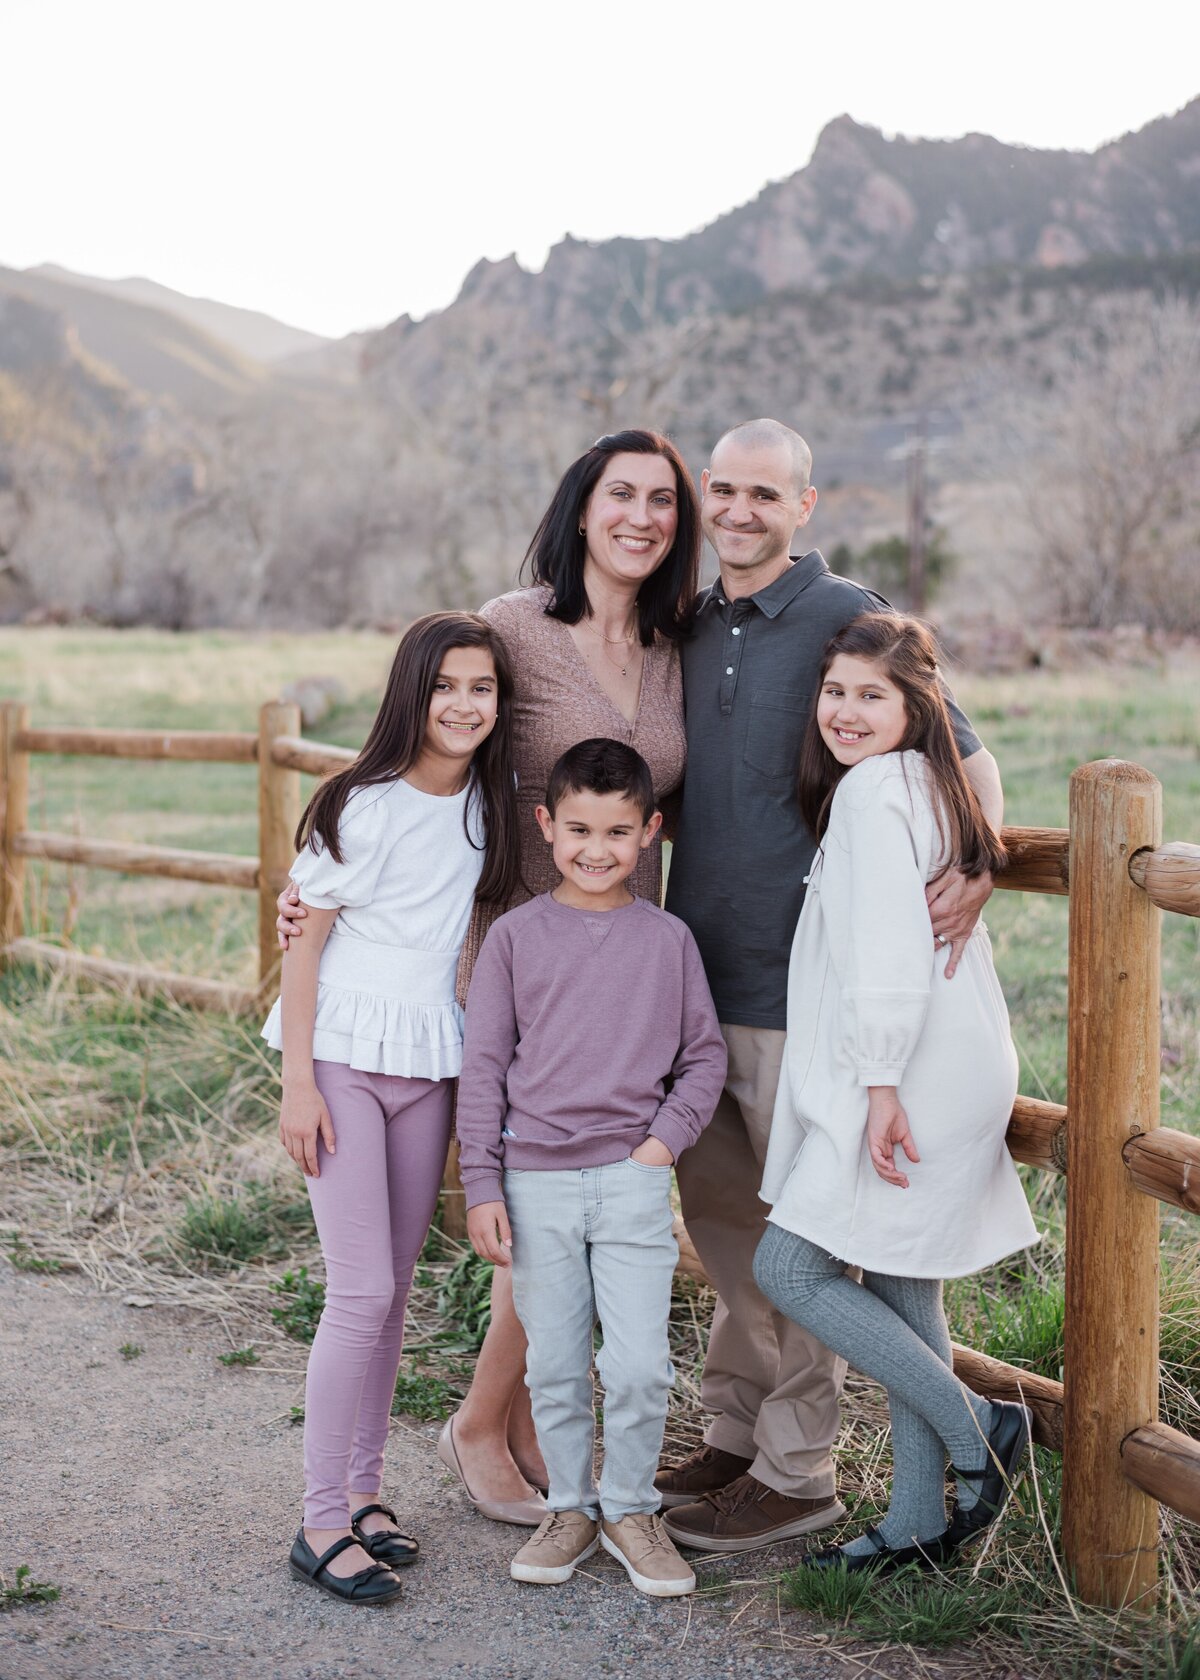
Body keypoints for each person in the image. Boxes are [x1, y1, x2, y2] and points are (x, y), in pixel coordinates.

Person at [277, 429, 697, 1523]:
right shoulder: (514, 628)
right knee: (540, 1185)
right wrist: (312, 886)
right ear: (581, 507)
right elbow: (427, 737)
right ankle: (477, 1423)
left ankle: (512, 1420)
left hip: (628, 949)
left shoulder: (676, 644)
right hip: (511, 943)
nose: (641, 517)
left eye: (662, 499)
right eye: (621, 495)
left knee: (574, 1189)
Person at [658, 419, 1005, 1554]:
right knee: (722, 1229)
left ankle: (797, 1470)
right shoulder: (695, 622)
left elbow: (966, 752)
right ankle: (737, 1432)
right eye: (726, 488)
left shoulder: (843, 618)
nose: (742, 509)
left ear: (806, 505)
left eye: (768, 492)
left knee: (802, 1235)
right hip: (696, 977)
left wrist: (976, 861)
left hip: (801, 1002)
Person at [750, 613, 1038, 1573]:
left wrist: (878, 1087)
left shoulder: (876, 792)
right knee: (905, 1283)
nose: (844, 711)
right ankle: (918, 1523)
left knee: (789, 1269)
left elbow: (886, 959)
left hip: (908, 1070)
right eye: (834, 691)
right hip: (948, 1060)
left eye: (871, 694)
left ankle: (979, 1430)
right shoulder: (927, 785)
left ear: (920, 707)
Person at [262, 612, 522, 1604]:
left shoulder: (487, 808)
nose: (464, 705)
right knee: (360, 1291)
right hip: (340, 1060)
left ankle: (366, 1496)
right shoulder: (359, 803)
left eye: (482, 689)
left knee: (396, 1291)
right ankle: (321, 1518)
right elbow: (304, 943)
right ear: (410, 693)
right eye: (446, 685)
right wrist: (297, 1084)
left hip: (429, 1059)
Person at [456, 740, 727, 1596]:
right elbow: (485, 1068)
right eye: (578, 829)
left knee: (641, 1365)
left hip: (633, 1180)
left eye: (617, 831)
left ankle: (631, 1510)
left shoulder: (668, 941)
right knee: (555, 1364)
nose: (597, 849)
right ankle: (570, 1506)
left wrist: (659, 1146)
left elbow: (705, 1058)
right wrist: (483, 1186)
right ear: (547, 825)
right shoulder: (513, 938)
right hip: (534, 1184)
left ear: (650, 832)